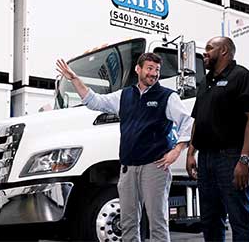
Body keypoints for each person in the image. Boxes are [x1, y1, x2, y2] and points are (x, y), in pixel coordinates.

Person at [56, 53, 193, 242]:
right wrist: (74, 79)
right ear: (138, 69)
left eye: (157, 70)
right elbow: (94, 101)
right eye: (150, 68)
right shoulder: (124, 95)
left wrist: (176, 151)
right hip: (128, 168)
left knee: (157, 222)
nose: (154, 74)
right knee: (128, 222)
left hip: (155, 167)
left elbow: (188, 122)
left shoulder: (167, 97)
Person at [186, 36, 249, 242]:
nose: (205, 52)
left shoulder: (243, 77)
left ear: (224, 51)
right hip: (206, 159)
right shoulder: (205, 82)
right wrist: (191, 152)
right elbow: (198, 120)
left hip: (231, 157)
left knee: (240, 218)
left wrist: (244, 160)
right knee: (210, 220)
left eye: (210, 48)